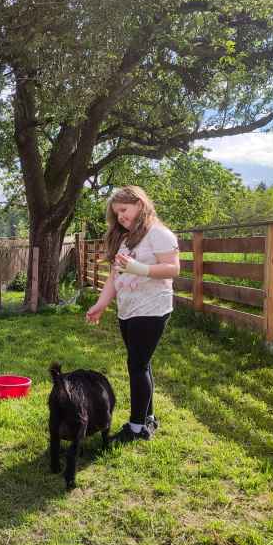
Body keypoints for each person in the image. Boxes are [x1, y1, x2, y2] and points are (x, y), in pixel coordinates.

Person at [85, 185, 180, 442]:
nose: (120, 217)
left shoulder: (158, 234)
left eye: (124, 210)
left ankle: (136, 428)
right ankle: (148, 419)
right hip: (128, 310)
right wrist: (101, 304)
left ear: (140, 204)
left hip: (151, 309)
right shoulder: (126, 239)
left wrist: (141, 269)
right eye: (117, 213)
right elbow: (114, 277)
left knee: (137, 365)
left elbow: (173, 269)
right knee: (141, 364)